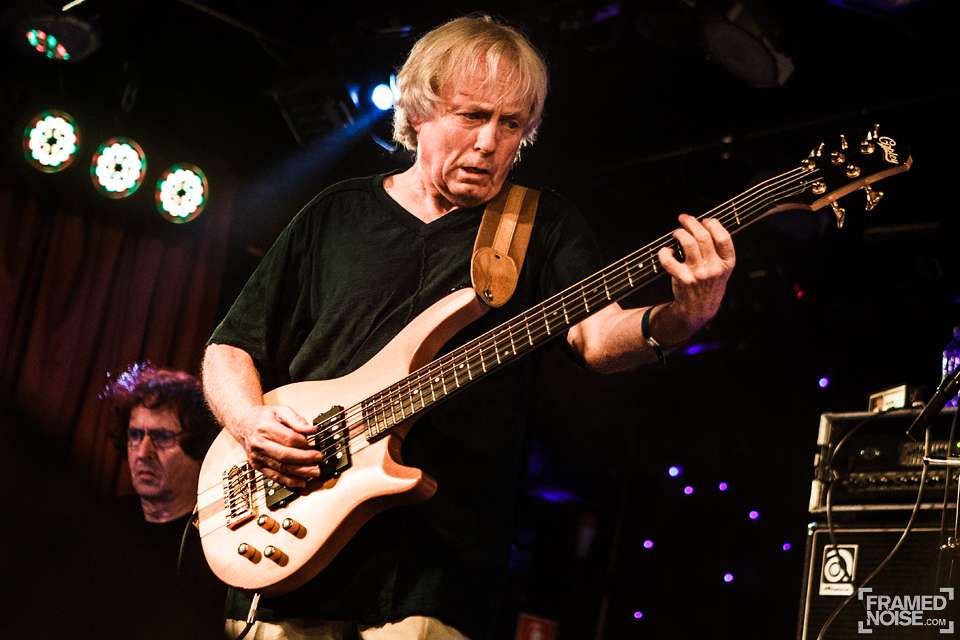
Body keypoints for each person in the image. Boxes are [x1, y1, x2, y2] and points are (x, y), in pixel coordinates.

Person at [202, 14, 735, 640]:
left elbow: (597, 338)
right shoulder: (336, 212)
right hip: (287, 542)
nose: (489, 142)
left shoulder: (542, 226)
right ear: (417, 111)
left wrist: (682, 316)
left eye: (511, 124)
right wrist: (250, 423)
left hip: (437, 572)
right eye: (472, 116)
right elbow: (230, 347)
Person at [100, 362, 225, 638]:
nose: (143, 452)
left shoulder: (219, 538)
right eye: (135, 435)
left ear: (199, 445)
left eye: (162, 437)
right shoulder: (103, 523)